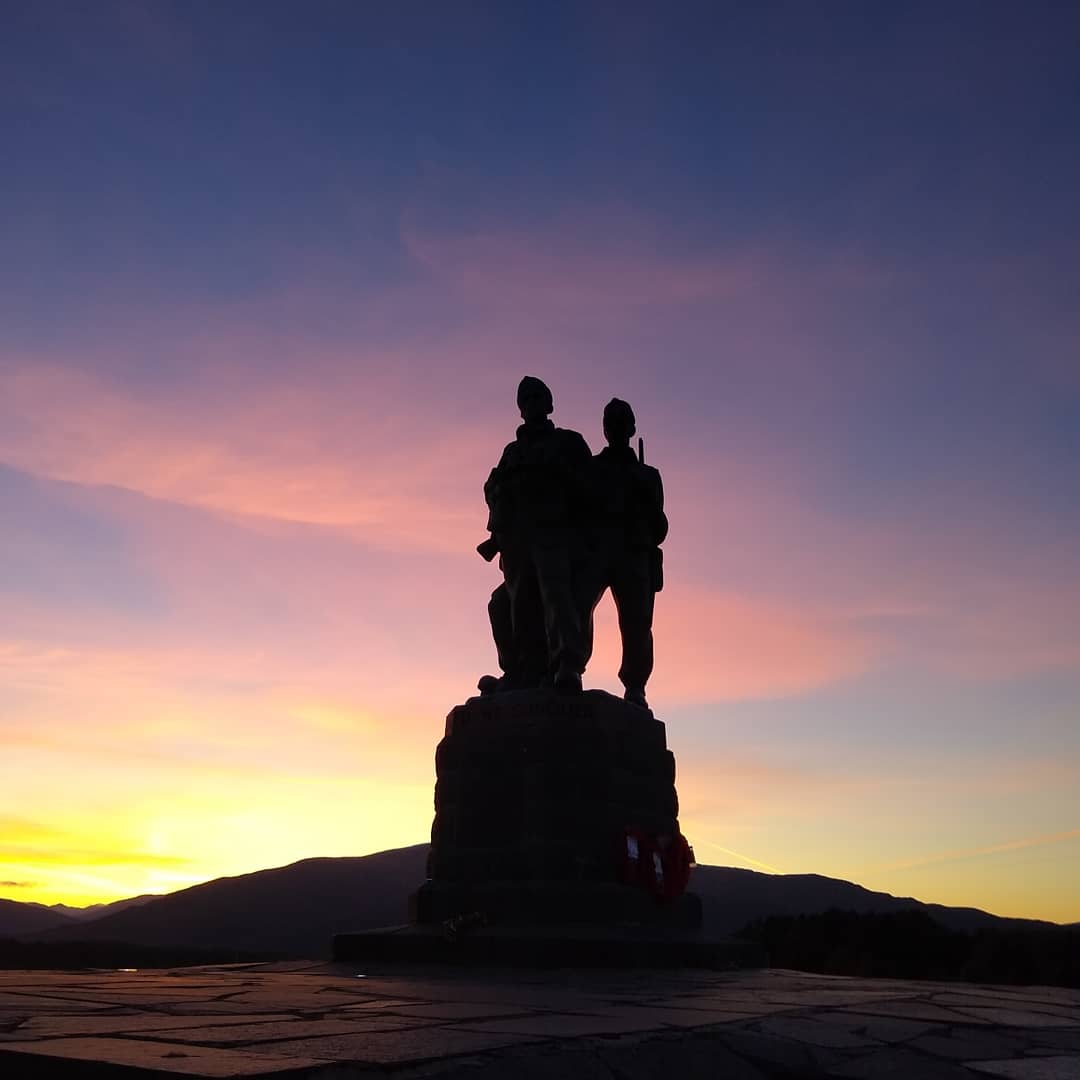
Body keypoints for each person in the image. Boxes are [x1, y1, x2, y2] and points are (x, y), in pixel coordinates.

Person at [479, 376, 592, 693]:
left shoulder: (568, 443)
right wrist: (498, 524)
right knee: (518, 604)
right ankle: (523, 672)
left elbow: (588, 488)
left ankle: (567, 667)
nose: (531, 403)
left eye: (536, 397)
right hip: (516, 538)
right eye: (525, 399)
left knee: (556, 597)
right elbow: (494, 489)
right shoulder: (511, 452)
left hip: (554, 532)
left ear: (549, 403)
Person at [579, 398, 667, 707]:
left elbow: (661, 529)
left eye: (621, 421)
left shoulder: (648, 475)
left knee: (637, 623)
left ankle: (635, 686)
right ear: (604, 428)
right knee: (578, 607)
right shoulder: (590, 468)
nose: (615, 427)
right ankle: (572, 668)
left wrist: (646, 504)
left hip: (634, 555)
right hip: (597, 551)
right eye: (610, 422)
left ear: (631, 427)